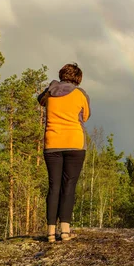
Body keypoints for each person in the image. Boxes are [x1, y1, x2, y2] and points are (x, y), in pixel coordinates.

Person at [38, 63, 91, 243]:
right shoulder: (80, 94)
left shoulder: (49, 92)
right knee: (68, 186)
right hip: (75, 144)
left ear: (61, 75)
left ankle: (50, 233)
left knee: (54, 186)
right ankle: (65, 231)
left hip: (52, 143)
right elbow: (86, 116)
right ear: (78, 78)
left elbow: (40, 100)